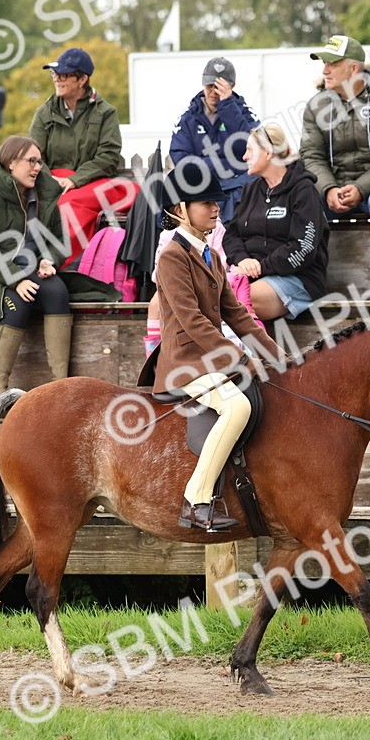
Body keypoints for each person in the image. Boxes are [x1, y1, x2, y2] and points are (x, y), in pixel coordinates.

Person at [151, 161, 284, 531]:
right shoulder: (172, 257)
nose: (215, 207)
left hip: (208, 359)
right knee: (237, 407)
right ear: (180, 210)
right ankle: (196, 501)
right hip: (184, 362)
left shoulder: (210, 252)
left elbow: (237, 313)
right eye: (205, 202)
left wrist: (276, 354)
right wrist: (240, 357)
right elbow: (192, 322)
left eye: (216, 201)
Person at [300, 34, 370, 298]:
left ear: (353, 68)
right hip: (335, 190)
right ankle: (308, 287)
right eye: (323, 63)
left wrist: (360, 188)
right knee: (303, 200)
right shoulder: (315, 106)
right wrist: (327, 189)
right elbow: (311, 156)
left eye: (332, 63)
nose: (324, 69)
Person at [0, 135, 73, 397]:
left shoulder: (44, 195)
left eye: (40, 162)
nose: (37, 168)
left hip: (34, 270)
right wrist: (16, 280)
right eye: (31, 161)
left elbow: (60, 241)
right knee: (18, 303)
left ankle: (61, 387)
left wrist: (49, 260)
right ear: (11, 163)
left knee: (57, 291)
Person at [30, 47, 136, 261]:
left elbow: (108, 157)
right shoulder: (43, 113)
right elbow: (34, 156)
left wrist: (75, 179)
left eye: (64, 75)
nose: (57, 79)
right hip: (51, 181)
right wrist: (51, 182)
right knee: (52, 204)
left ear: (82, 79)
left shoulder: (106, 113)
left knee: (68, 204)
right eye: (54, 74)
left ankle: (56, 261)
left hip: (91, 181)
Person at [223, 125, 329, 321]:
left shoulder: (303, 190)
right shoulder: (250, 190)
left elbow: (303, 247)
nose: (244, 157)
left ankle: (247, 351)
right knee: (205, 296)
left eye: (250, 150)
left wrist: (261, 267)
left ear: (268, 152)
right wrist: (243, 260)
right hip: (251, 275)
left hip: (298, 277)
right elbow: (231, 234)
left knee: (235, 300)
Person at [170, 56, 260, 223]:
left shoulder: (244, 113)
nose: (213, 91)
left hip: (238, 190)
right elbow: (182, 159)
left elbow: (250, 149)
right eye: (209, 85)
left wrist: (227, 106)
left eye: (219, 87)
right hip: (202, 187)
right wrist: (226, 165)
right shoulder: (188, 118)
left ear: (231, 87)